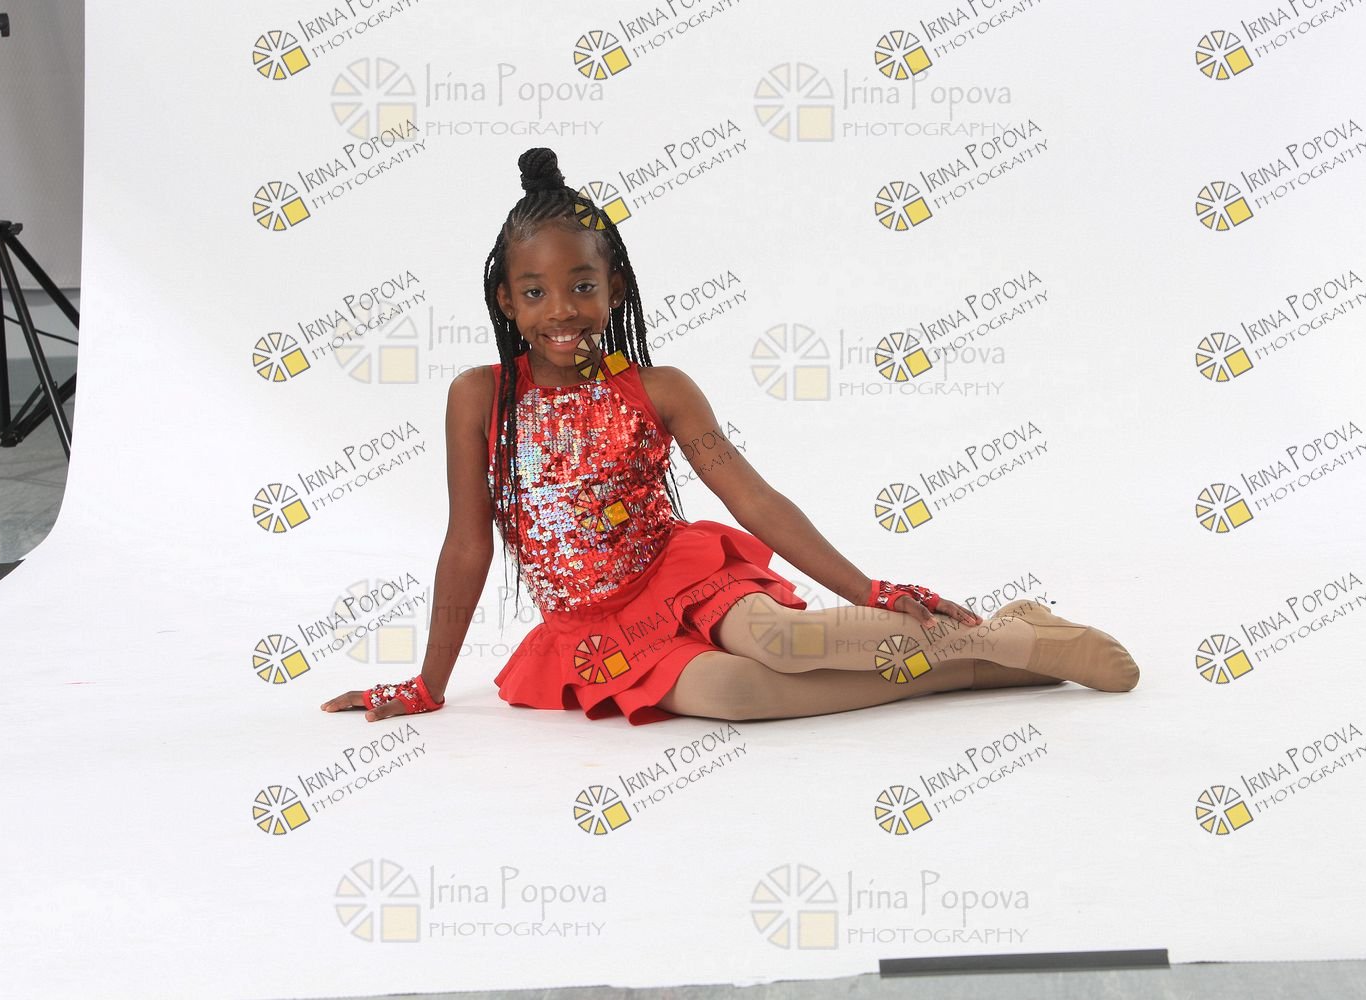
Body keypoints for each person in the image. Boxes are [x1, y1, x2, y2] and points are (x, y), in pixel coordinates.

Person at [322, 148, 1139, 726]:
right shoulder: (480, 398)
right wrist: (428, 684)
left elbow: (753, 498)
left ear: (615, 287)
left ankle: (1007, 638)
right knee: (735, 697)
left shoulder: (660, 390)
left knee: (782, 641)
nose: (561, 310)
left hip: (681, 579)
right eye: (535, 292)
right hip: (596, 628)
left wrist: (870, 589)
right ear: (506, 300)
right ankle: (1003, 656)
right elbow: (468, 544)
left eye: (581, 285)